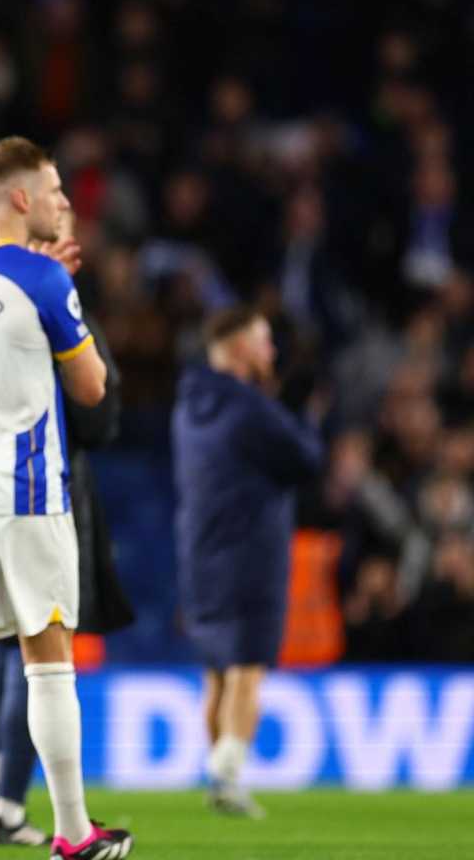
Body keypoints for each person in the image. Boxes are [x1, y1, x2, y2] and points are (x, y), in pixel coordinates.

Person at [0, 136, 131, 860]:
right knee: (48, 661)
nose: (65, 204)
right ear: (19, 197)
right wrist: (61, 300)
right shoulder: (41, 281)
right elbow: (94, 389)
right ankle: (72, 831)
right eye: (56, 192)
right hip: (28, 488)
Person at [172, 306, 322, 819]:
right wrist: (304, 413)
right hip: (251, 552)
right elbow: (306, 460)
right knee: (247, 670)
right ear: (237, 348)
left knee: (216, 671)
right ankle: (228, 775)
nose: (271, 351)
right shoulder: (249, 408)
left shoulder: (187, 405)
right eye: (263, 341)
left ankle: (219, 771)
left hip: (199, 551)